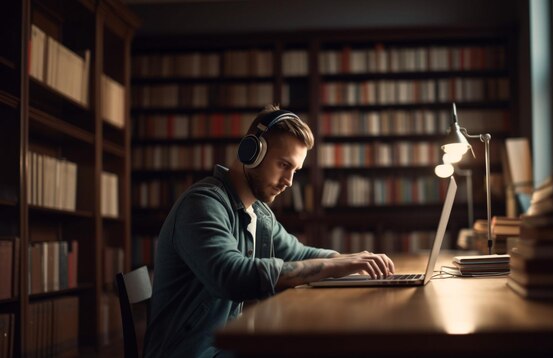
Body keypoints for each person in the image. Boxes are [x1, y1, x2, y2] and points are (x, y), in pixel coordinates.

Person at [142, 105, 395, 357]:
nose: (289, 181)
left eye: (295, 170)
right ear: (251, 152)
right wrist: (331, 268)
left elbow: (298, 253)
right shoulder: (202, 204)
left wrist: (349, 261)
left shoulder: (260, 214)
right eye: (284, 165)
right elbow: (232, 276)